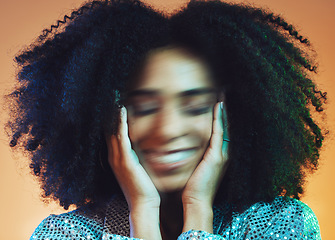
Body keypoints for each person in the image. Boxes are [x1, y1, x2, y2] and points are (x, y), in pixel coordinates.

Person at [6, 0, 326, 239]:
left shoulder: (281, 225)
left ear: (234, 114)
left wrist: (198, 207)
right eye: (144, 107)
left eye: (195, 105)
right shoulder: (64, 235)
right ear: (105, 117)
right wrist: (142, 212)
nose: (169, 129)